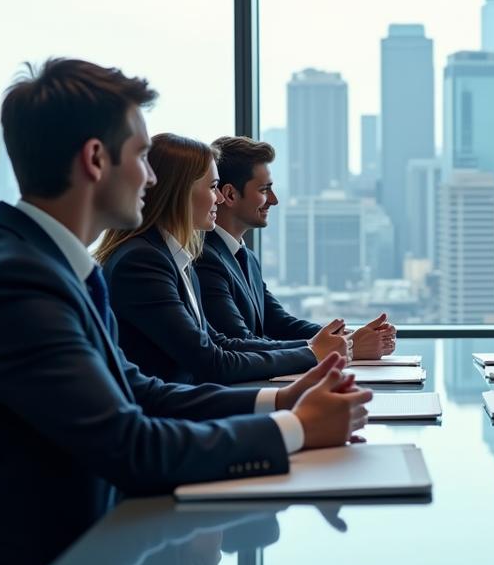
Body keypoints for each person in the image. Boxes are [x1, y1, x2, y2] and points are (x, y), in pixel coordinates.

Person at [0, 58, 371, 565]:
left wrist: (281, 400)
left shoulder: (51, 267)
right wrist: (294, 429)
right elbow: (131, 447)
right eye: (144, 156)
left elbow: (140, 391)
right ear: (96, 159)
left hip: (78, 550)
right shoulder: (15, 284)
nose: (152, 178)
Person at [95, 133, 350, 385]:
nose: (218, 198)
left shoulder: (177, 258)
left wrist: (317, 347)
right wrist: (313, 353)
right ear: (180, 192)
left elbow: (220, 343)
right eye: (212, 187)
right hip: (169, 415)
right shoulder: (143, 262)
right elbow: (212, 362)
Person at [198, 135, 396, 360]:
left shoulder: (246, 257)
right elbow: (240, 342)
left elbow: (279, 322)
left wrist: (355, 336)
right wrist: (347, 346)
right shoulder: (204, 258)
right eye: (264, 190)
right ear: (230, 195)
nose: (274, 200)